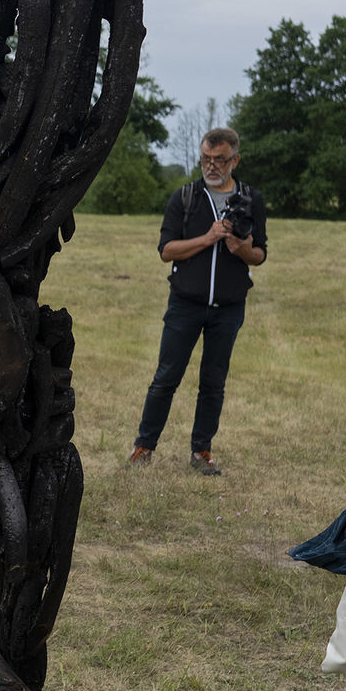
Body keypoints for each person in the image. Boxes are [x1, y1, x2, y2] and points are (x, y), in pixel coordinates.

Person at [127, 126, 267, 474]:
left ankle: (201, 452)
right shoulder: (185, 197)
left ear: (235, 160)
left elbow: (261, 254)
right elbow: (166, 251)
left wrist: (242, 249)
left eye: (219, 160)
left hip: (229, 308)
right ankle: (144, 447)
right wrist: (207, 238)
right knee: (166, 377)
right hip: (185, 304)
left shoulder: (251, 199)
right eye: (206, 158)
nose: (211, 166)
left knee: (213, 382)